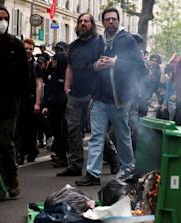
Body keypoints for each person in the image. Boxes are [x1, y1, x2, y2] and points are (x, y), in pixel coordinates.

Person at [76, 8, 146, 186]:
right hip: (99, 98)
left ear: (118, 21)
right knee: (96, 136)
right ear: (103, 22)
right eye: (107, 19)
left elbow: (140, 67)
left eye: (114, 19)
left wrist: (116, 63)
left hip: (120, 98)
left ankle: (128, 169)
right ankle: (93, 173)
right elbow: (88, 65)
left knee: (123, 136)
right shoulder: (98, 41)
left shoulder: (127, 40)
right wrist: (96, 66)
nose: (111, 22)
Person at [57, 13, 99, 177]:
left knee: (97, 130)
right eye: (80, 21)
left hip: (93, 93)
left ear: (92, 24)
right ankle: (75, 165)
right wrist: (67, 87)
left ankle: (113, 157)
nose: (82, 24)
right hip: (75, 94)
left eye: (86, 21)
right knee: (73, 129)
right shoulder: (73, 45)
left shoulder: (98, 43)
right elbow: (70, 68)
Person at [0, 5, 30, 199]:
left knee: (3, 142)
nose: (1, 21)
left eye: (4, 18)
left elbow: (25, 78)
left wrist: (24, 103)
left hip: (9, 105)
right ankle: (0, 186)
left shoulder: (15, 45)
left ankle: (12, 178)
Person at [14, 38, 44, 165]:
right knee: (18, 129)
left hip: (31, 100)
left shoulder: (36, 66)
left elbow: (39, 85)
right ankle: (20, 154)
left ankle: (31, 150)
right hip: (17, 100)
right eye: (26, 48)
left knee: (31, 129)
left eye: (30, 49)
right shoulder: (16, 63)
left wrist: (37, 103)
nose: (28, 51)